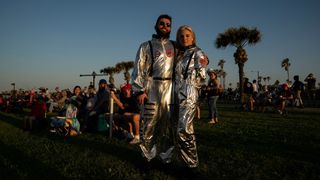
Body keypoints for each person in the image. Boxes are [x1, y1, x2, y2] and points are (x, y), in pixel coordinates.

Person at [131, 14, 176, 163]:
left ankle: (166, 158)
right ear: (156, 26)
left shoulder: (175, 46)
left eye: (168, 24)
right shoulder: (146, 46)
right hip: (151, 88)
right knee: (148, 124)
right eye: (162, 24)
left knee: (168, 126)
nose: (165, 26)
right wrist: (139, 90)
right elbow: (138, 68)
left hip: (170, 89)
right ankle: (147, 157)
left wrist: (204, 59)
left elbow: (191, 54)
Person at [174, 25, 208, 168]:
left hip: (188, 92)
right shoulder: (179, 54)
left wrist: (191, 89)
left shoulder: (197, 52)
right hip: (176, 93)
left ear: (193, 37)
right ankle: (186, 162)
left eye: (187, 35)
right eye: (181, 36)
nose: (184, 38)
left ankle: (192, 165)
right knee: (179, 128)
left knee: (184, 129)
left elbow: (201, 75)